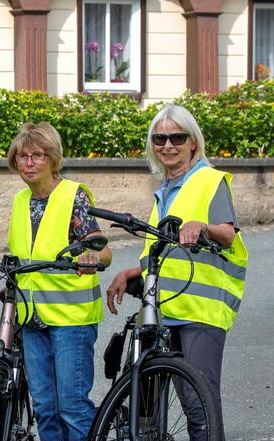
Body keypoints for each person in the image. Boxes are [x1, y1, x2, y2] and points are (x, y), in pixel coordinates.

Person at [106, 104, 247, 438]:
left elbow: (227, 234)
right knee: (146, 407)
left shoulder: (209, 182)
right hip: (163, 308)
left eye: (176, 137)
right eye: (160, 138)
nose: (167, 145)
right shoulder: (165, 190)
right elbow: (164, 252)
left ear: (192, 142)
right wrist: (132, 273)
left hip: (201, 311)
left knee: (200, 408)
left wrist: (203, 227)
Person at [5, 121, 112, 441]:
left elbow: (102, 249)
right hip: (32, 318)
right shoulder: (20, 201)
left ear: (53, 158)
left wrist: (90, 258)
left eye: (37, 155)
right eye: (22, 156)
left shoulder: (71, 195)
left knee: (72, 407)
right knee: (45, 408)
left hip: (70, 319)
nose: (28, 163)